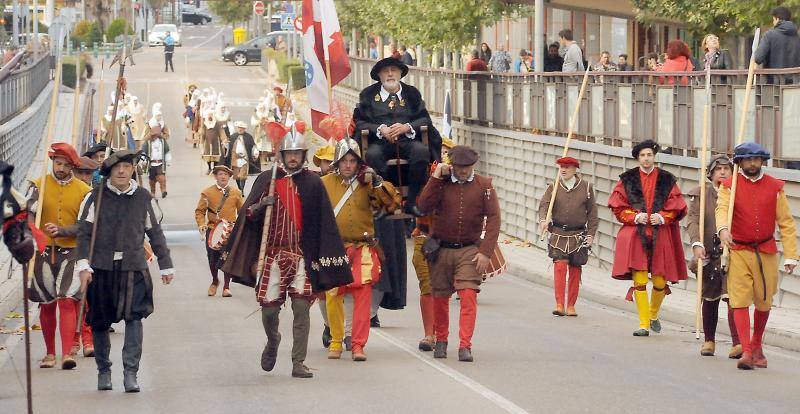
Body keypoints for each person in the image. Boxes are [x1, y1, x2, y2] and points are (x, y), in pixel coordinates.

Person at [221, 129, 352, 378]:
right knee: (270, 311)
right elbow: (248, 214)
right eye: (289, 153)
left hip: (301, 256)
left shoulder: (313, 183)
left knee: (301, 308)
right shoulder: (267, 179)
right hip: (272, 256)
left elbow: (324, 223)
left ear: (303, 155)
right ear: (282, 154)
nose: (293, 158)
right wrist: (261, 206)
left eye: (297, 153)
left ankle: (298, 361)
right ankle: (273, 340)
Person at [76, 150, 174, 392]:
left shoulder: (143, 197)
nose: (121, 171)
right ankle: (104, 371)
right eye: (116, 167)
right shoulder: (95, 197)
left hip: (133, 267)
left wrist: (165, 264)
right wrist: (83, 264)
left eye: (126, 166)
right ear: (109, 170)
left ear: (133, 170)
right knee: (99, 321)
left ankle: (131, 373)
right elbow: (84, 234)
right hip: (101, 268)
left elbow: (155, 233)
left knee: (135, 318)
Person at [716, 142, 798, 370]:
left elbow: (786, 222)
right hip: (739, 250)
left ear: (762, 161)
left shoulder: (775, 187)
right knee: (739, 299)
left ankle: (757, 345)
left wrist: (791, 255)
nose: (752, 163)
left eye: (756, 159)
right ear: (740, 162)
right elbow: (722, 209)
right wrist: (723, 229)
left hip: (766, 251)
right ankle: (746, 350)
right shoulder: (729, 186)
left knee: (764, 300)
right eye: (748, 159)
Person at [417, 145, 500, 362]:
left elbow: (494, 219)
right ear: (451, 164)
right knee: (440, 296)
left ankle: (465, 345)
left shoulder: (484, 186)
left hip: (469, 249)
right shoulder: (440, 183)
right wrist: (435, 177)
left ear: (474, 165)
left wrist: (486, 252)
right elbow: (423, 206)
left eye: (467, 166)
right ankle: (441, 340)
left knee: (468, 294)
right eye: (459, 166)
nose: (463, 170)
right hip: (442, 248)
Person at [322, 138, 400, 361]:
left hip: (362, 247)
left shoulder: (369, 183)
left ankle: (358, 345)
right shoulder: (324, 183)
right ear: (337, 162)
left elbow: (392, 204)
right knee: (333, 295)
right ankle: (336, 340)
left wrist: (377, 181)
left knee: (363, 297)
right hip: (334, 248)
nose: (348, 165)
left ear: (359, 163)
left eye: (352, 161)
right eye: (344, 160)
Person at [608, 140, 687, 336]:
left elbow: (676, 206)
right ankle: (643, 324)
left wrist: (662, 217)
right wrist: (635, 217)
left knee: (660, 282)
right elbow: (618, 207)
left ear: (654, 157)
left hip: (660, 235)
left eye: (649, 155)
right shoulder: (628, 179)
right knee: (640, 279)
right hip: (637, 235)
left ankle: (653, 314)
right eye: (642, 155)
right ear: (637, 158)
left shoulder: (667, 179)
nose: (646, 159)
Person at [26, 143, 91, 369]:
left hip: (72, 252)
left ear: (73, 166)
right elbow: (28, 215)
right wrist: (31, 227)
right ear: (53, 162)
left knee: (66, 300)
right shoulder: (38, 185)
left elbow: (86, 225)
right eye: (57, 163)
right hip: (43, 252)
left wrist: (63, 231)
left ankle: (67, 354)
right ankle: (50, 353)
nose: (60, 168)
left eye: (65, 165)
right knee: (46, 303)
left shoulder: (84, 191)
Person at [353, 57, 443, 216]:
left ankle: (412, 202)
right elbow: (360, 122)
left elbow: (425, 120)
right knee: (372, 155)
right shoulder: (368, 95)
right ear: (379, 75)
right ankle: (386, 201)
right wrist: (380, 129)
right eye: (385, 71)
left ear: (400, 73)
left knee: (421, 151)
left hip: (407, 140)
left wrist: (406, 127)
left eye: (393, 70)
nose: (390, 74)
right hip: (380, 142)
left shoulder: (412, 93)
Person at [685, 154, 741, 358]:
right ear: (711, 173)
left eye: (727, 169)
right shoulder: (702, 194)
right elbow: (693, 220)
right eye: (718, 169)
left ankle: (738, 343)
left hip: (733, 253)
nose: (723, 172)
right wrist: (696, 243)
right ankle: (709, 340)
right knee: (709, 298)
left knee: (734, 299)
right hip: (709, 253)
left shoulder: (738, 193)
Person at [537, 157, 598, 317]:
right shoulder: (554, 186)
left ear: (575, 169)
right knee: (560, 267)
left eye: (567, 167)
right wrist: (543, 220)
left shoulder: (586, 187)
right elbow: (544, 205)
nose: (563, 170)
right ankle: (559, 304)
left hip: (578, 235)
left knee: (575, 270)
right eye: (561, 167)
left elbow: (593, 213)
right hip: (558, 234)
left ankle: (571, 305)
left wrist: (591, 234)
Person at [411, 137, 455, 351]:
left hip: (450, 242)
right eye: (441, 150)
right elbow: (421, 204)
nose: (444, 155)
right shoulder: (420, 173)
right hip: (425, 238)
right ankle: (430, 334)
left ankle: (441, 334)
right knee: (428, 287)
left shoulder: (458, 178)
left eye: (447, 152)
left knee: (443, 290)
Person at [195, 165, 245, 297]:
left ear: (229, 177)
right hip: (212, 230)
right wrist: (201, 224)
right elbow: (200, 211)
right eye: (220, 174)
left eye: (226, 174)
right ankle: (215, 281)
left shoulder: (236, 193)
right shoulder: (207, 193)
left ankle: (226, 287)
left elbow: (242, 212)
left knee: (227, 257)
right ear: (216, 177)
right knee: (212, 258)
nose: (223, 177)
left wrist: (241, 227)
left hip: (230, 230)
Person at [224, 121, 260, 193]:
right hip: (235, 159)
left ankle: (242, 189)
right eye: (239, 128)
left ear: (244, 129)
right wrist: (225, 144)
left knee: (243, 176)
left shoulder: (249, 137)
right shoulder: (233, 136)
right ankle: (239, 188)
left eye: (242, 128)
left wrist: (255, 154)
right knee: (237, 176)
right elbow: (228, 148)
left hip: (244, 159)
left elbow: (253, 147)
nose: (240, 129)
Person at [140, 120, 171, 199]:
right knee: (152, 180)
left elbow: (167, 151)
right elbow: (143, 152)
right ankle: (153, 192)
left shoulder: (162, 141)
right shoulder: (147, 142)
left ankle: (163, 190)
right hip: (151, 164)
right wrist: (143, 160)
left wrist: (168, 160)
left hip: (160, 163)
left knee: (162, 178)